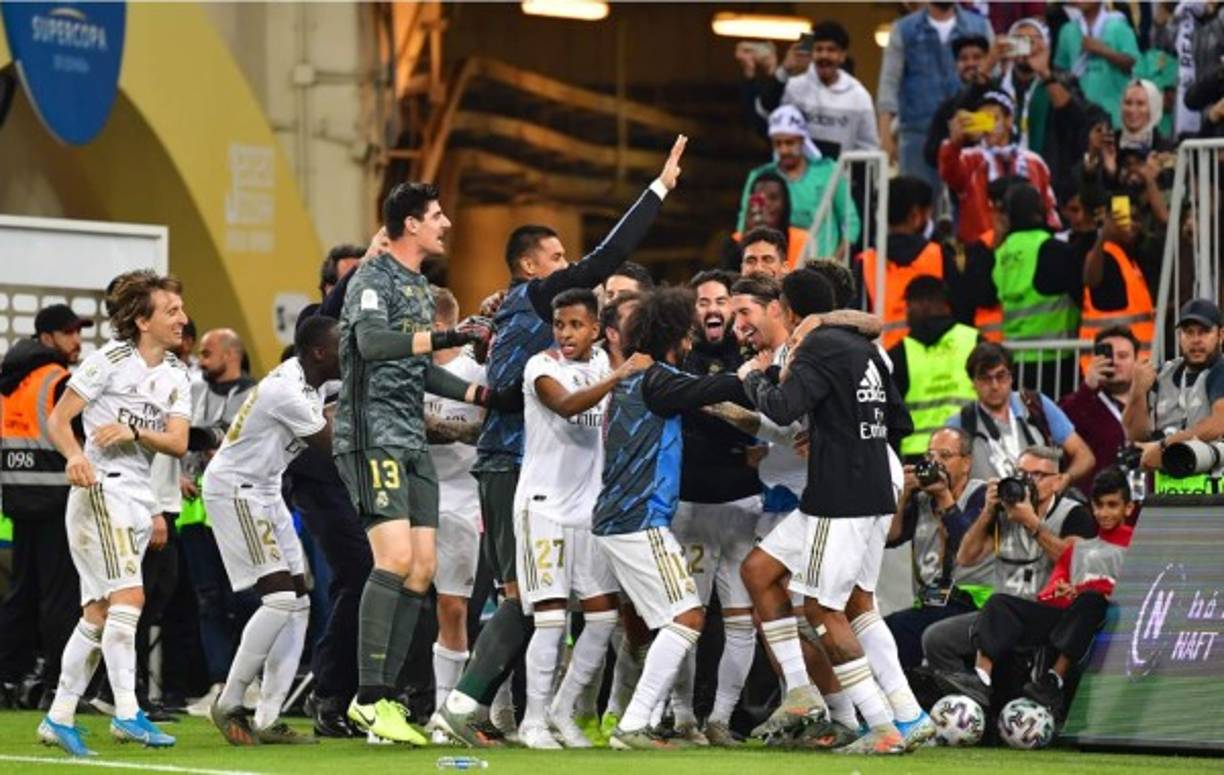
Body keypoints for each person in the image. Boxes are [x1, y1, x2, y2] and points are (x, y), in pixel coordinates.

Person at [437, 137, 686, 748]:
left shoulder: (531, 321)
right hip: (515, 468)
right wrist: (659, 188)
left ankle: (517, 712)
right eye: (556, 257)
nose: (569, 264)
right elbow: (608, 257)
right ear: (530, 268)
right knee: (524, 600)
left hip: (546, 478)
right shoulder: (538, 308)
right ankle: (464, 707)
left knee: (553, 604)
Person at [333, 181, 504, 745]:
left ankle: (387, 696)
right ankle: (368, 698)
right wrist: (449, 334)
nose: (446, 223)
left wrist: (481, 395)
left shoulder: (417, 287)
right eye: (436, 215)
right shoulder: (373, 278)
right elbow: (373, 344)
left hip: (410, 440)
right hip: (372, 436)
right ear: (410, 224)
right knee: (395, 559)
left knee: (423, 568)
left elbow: (416, 367)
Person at [738, 275, 929, 755]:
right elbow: (900, 420)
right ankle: (897, 712)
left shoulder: (817, 347)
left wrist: (754, 378)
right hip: (871, 484)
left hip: (840, 493)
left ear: (787, 310)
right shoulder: (865, 348)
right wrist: (833, 426)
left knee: (823, 608)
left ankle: (879, 725)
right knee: (761, 570)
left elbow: (781, 407)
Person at [38, 270, 190, 756]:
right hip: (102, 491)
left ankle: (59, 716)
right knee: (130, 598)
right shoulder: (109, 361)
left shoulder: (177, 374)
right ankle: (127, 712)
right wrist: (75, 456)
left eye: (181, 309)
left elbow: (179, 442)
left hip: (138, 496)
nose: (182, 318)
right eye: (171, 311)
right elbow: (58, 419)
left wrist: (135, 432)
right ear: (142, 320)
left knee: (99, 614)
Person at [591, 287, 749, 750]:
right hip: (638, 519)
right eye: (687, 332)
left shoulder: (638, 379)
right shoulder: (656, 380)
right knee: (687, 616)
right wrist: (759, 373)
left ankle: (637, 718)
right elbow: (710, 388)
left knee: (669, 621)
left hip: (621, 517)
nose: (691, 340)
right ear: (677, 334)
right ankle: (634, 723)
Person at [513, 289, 649, 750]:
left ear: (595, 329)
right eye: (559, 325)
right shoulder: (541, 367)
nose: (566, 334)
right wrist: (620, 374)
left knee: (603, 617)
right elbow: (568, 405)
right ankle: (532, 721)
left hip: (589, 512)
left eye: (575, 325)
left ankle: (562, 710)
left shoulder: (603, 366)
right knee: (551, 620)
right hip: (543, 508)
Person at [204, 315, 341, 745]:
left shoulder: (313, 382)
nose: (349, 354)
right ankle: (229, 701)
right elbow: (334, 446)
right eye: (343, 346)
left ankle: (268, 718)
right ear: (320, 352)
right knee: (280, 598)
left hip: (265, 487)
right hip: (237, 488)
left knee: (298, 602)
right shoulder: (286, 390)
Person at [938, 468, 1133, 714]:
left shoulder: (1136, 544)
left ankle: (1053, 680)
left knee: (1090, 600)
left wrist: (1086, 591)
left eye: (1112, 505)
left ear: (1128, 508)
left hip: (1106, 622)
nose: (1104, 513)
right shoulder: (1080, 547)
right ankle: (981, 679)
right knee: (999, 602)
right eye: (1099, 505)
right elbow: (1049, 593)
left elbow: (1137, 592)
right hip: (1066, 619)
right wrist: (1061, 591)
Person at [668, 270, 762, 745]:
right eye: (702, 301)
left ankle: (720, 718)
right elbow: (701, 415)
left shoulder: (753, 357)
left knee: (742, 619)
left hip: (744, 506)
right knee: (688, 619)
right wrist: (743, 432)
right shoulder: (680, 359)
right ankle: (683, 715)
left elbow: (764, 418)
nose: (712, 308)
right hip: (693, 508)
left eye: (720, 300)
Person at [925, 446, 1098, 681]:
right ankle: (971, 694)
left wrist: (1032, 523)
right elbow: (966, 557)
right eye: (1021, 473)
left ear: (1057, 482)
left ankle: (985, 682)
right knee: (937, 639)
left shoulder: (1074, 514)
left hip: (1044, 616)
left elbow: (1076, 565)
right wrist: (987, 512)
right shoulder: (1004, 510)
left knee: (999, 605)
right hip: (998, 618)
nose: (1027, 481)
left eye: (1037, 475)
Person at [0, 304, 91, 709]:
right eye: (70, 333)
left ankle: (8, 679)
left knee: (21, 594)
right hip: (57, 499)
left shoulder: (9, 379)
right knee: (60, 597)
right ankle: (56, 685)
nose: (77, 340)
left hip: (19, 499)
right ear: (48, 337)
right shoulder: (58, 380)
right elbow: (82, 440)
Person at [177, 328, 258, 714]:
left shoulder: (257, 395)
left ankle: (250, 682)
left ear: (230, 354)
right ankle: (219, 683)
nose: (200, 359)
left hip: (239, 509)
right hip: (195, 512)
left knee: (245, 597)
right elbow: (176, 440)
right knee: (208, 600)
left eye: (207, 353)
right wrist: (177, 475)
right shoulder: (191, 391)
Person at [419, 288, 487, 744]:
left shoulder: (476, 371)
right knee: (401, 601)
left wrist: (436, 428)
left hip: (462, 499)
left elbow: (491, 426)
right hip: (412, 495)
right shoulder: (405, 368)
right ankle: (381, 702)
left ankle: (447, 711)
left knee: (453, 605)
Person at [885, 427, 990, 668]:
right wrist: (902, 496)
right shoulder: (922, 499)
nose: (936, 463)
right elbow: (890, 538)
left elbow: (966, 546)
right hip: (931, 604)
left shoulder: (982, 496)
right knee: (883, 632)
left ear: (966, 463)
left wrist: (944, 497)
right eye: (930, 456)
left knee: (897, 629)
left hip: (972, 605)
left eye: (945, 456)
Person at [877, 2, 994, 189]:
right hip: (917, 134)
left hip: (970, 133)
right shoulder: (904, 29)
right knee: (916, 202)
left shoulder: (980, 25)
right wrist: (885, 136)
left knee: (968, 201)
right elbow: (889, 83)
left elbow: (994, 80)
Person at [947, 342, 1096, 485]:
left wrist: (1063, 481)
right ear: (973, 383)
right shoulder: (960, 424)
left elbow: (1084, 455)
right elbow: (945, 474)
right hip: (985, 502)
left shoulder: (1036, 405)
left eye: (1001, 376)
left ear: (1011, 377)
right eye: (985, 378)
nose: (994, 385)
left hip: (1041, 501)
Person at [1126, 299, 1224, 494]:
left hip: (1215, 497)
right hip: (1167, 496)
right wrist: (1137, 392)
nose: (1196, 340)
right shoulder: (1163, 374)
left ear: (1220, 335)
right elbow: (1136, 436)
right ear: (1179, 336)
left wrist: (1164, 446)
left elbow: (1219, 423)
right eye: (1189, 332)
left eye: (1204, 332)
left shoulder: (1220, 371)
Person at [736, 105, 860, 257]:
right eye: (778, 143)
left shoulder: (828, 171)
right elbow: (744, 223)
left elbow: (850, 221)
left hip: (820, 264)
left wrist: (834, 263)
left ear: (802, 140)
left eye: (789, 143)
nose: (783, 150)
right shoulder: (761, 178)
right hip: (774, 265)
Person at [940, 91, 1060, 244]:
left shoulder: (1034, 162)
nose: (988, 127)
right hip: (982, 248)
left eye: (993, 119)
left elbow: (1047, 209)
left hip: (1026, 247)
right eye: (982, 120)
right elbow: (949, 173)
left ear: (1009, 120)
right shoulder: (969, 160)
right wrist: (954, 143)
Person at [855, 176, 962, 350]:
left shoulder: (865, 261)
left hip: (883, 356)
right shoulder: (939, 255)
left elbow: (855, 321)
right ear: (915, 215)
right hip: (936, 356)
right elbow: (961, 309)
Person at [887, 276, 980, 459]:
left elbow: (891, 413)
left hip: (917, 453)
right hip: (965, 448)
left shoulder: (899, 353)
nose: (907, 313)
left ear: (924, 303)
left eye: (909, 306)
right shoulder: (973, 341)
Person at [778, 21, 880, 159]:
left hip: (841, 172)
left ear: (842, 56)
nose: (824, 56)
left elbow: (869, 148)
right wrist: (785, 70)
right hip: (799, 171)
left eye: (831, 50)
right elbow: (774, 126)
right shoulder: (794, 88)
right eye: (819, 49)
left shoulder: (859, 97)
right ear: (811, 53)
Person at [1060, 327, 1141, 493]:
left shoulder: (1150, 400)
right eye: (1108, 356)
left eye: (1123, 356)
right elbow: (1059, 422)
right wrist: (1087, 387)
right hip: (1096, 502)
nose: (1115, 362)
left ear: (1136, 360)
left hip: (1141, 499)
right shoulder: (1083, 401)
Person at [1054, 2, 1140, 128]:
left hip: (1114, 114)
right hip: (1078, 117)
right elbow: (1060, 69)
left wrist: (1104, 51)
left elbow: (1134, 64)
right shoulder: (1067, 30)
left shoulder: (1119, 26)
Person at [922, 34, 993, 171]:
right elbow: (930, 154)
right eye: (963, 59)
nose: (970, 63)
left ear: (988, 61)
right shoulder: (947, 108)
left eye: (977, 57)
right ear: (956, 65)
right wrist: (955, 141)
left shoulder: (1002, 97)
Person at [727, 174, 809, 271]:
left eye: (773, 198)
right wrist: (748, 232)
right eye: (759, 199)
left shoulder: (803, 240)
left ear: (785, 203)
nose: (765, 204)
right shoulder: (735, 241)